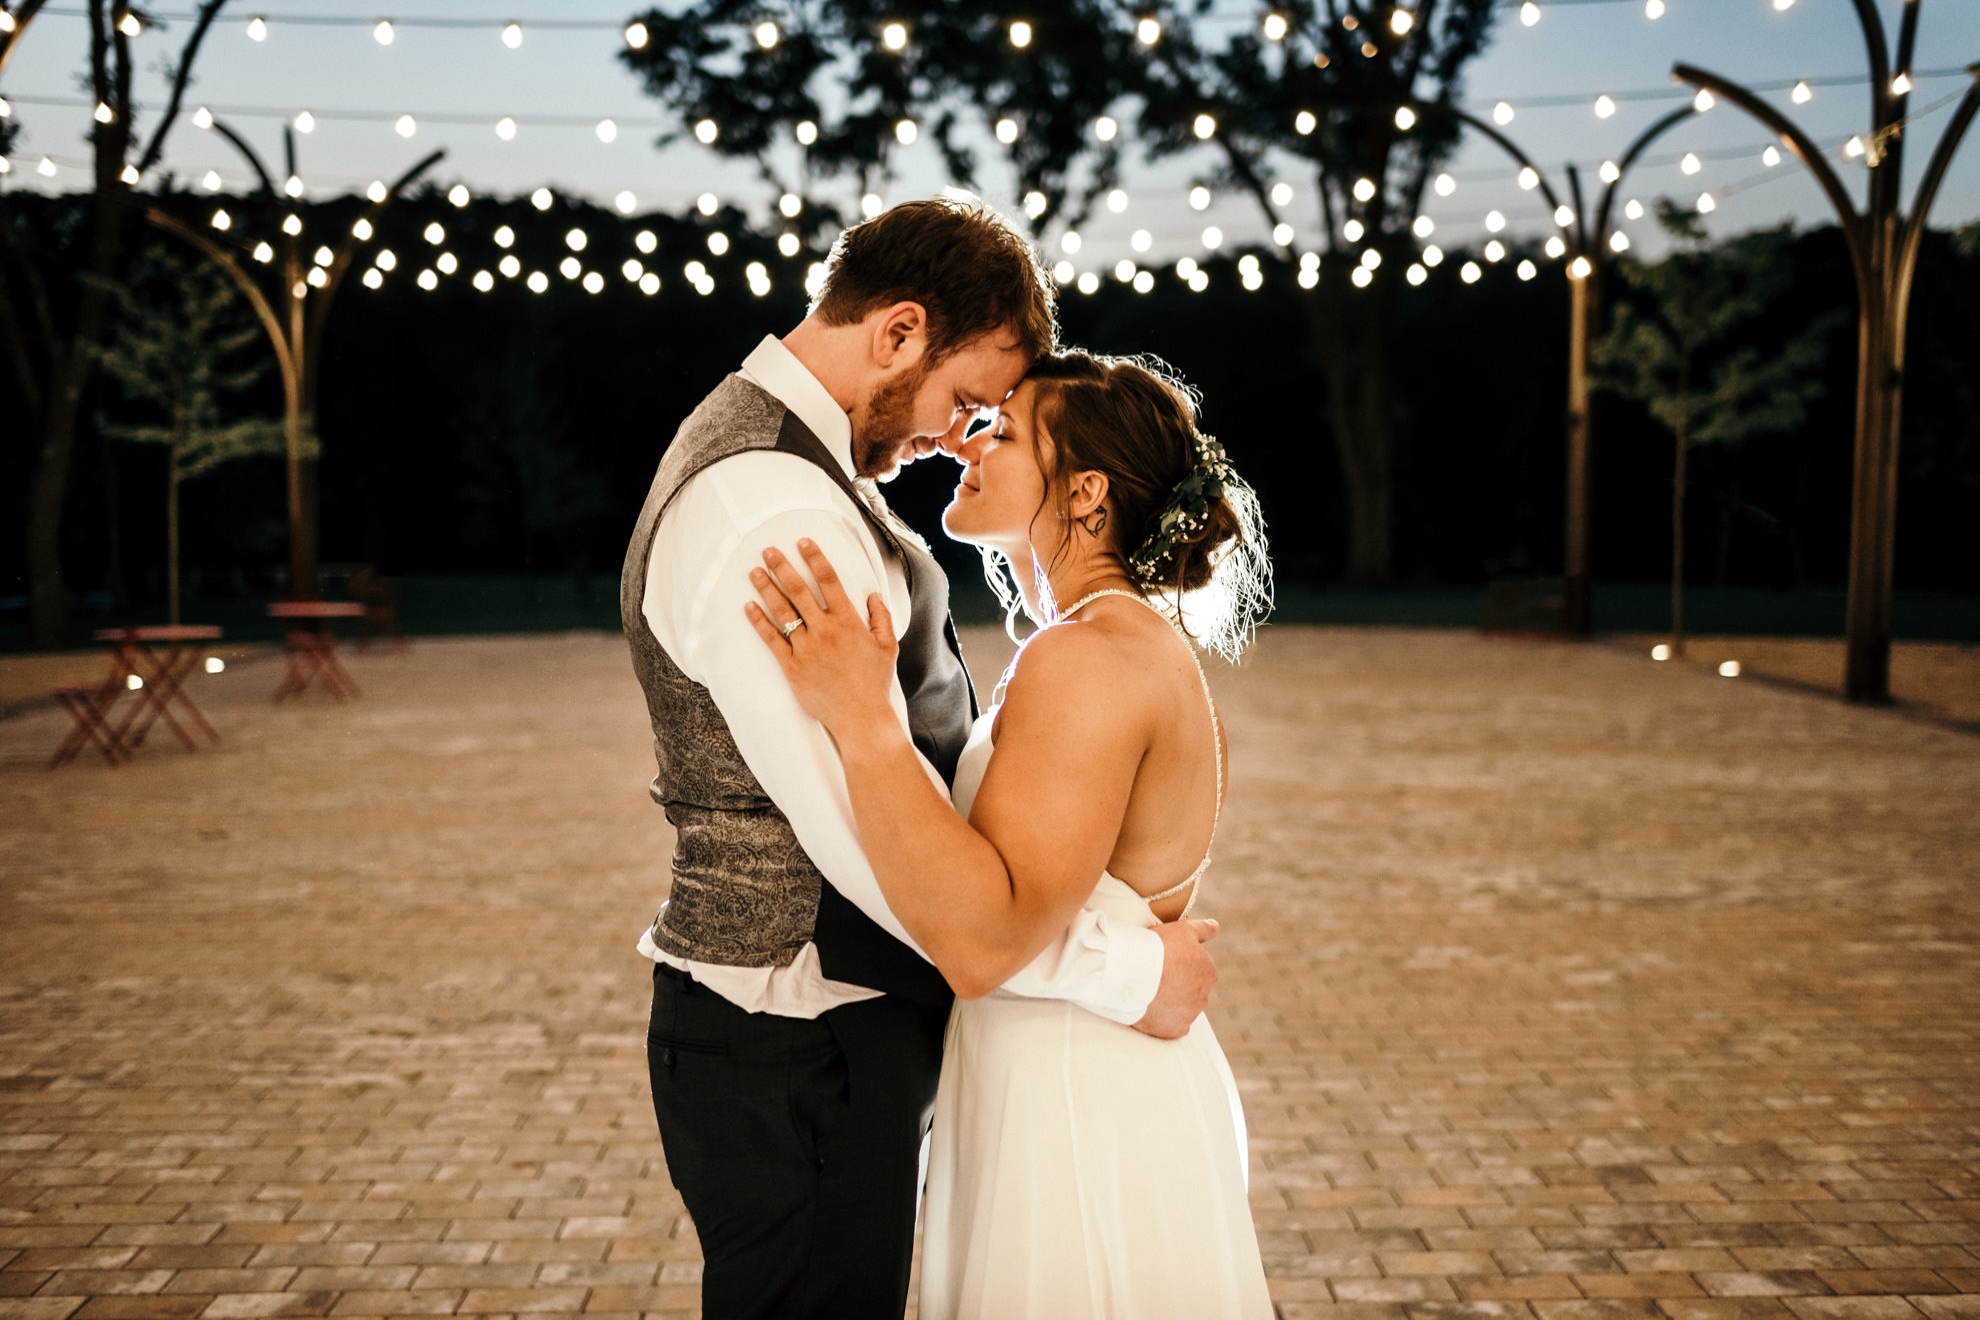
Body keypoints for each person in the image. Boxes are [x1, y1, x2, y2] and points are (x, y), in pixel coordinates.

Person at [620, 198, 1221, 1320]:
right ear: (896, 333)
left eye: (994, 421)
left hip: (850, 1042)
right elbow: (875, 855)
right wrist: (1132, 975)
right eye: (967, 401)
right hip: (798, 1039)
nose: (960, 436)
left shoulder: (811, 478)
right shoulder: (768, 510)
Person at [744, 350, 1275, 1319]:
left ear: (1084, 493)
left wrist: (862, 719)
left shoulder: (1088, 659)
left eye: (1008, 432)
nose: (974, 443)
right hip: (1071, 1066)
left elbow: (987, 935)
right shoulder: (1115, 642)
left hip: (1076, 1097)